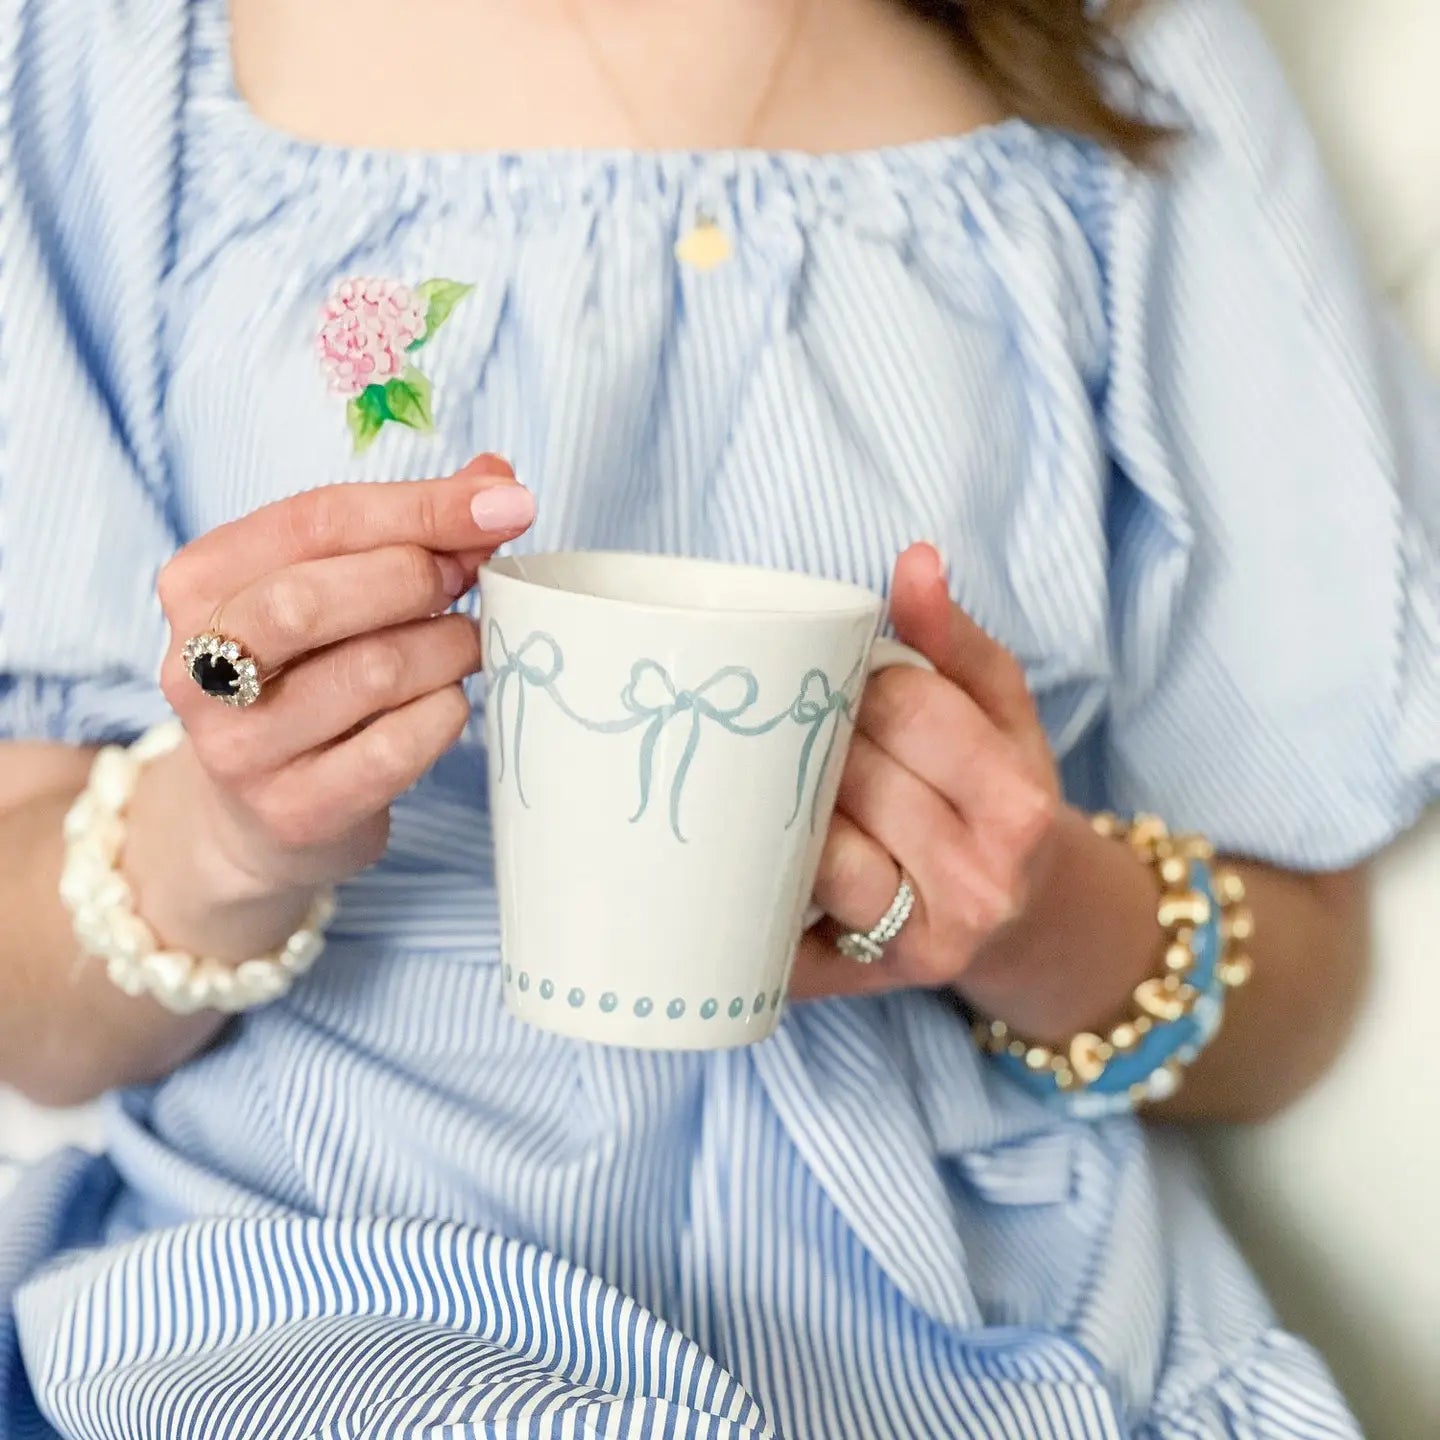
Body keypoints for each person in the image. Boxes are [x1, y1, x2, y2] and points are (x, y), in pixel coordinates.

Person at [0, 0, 1434, 1434]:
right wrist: (227, 836)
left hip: (979, 1348)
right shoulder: (129, 55)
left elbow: (1301, 986)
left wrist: (1036, 911)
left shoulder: (1128, 48)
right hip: (297, 1321)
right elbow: (31, 1020)